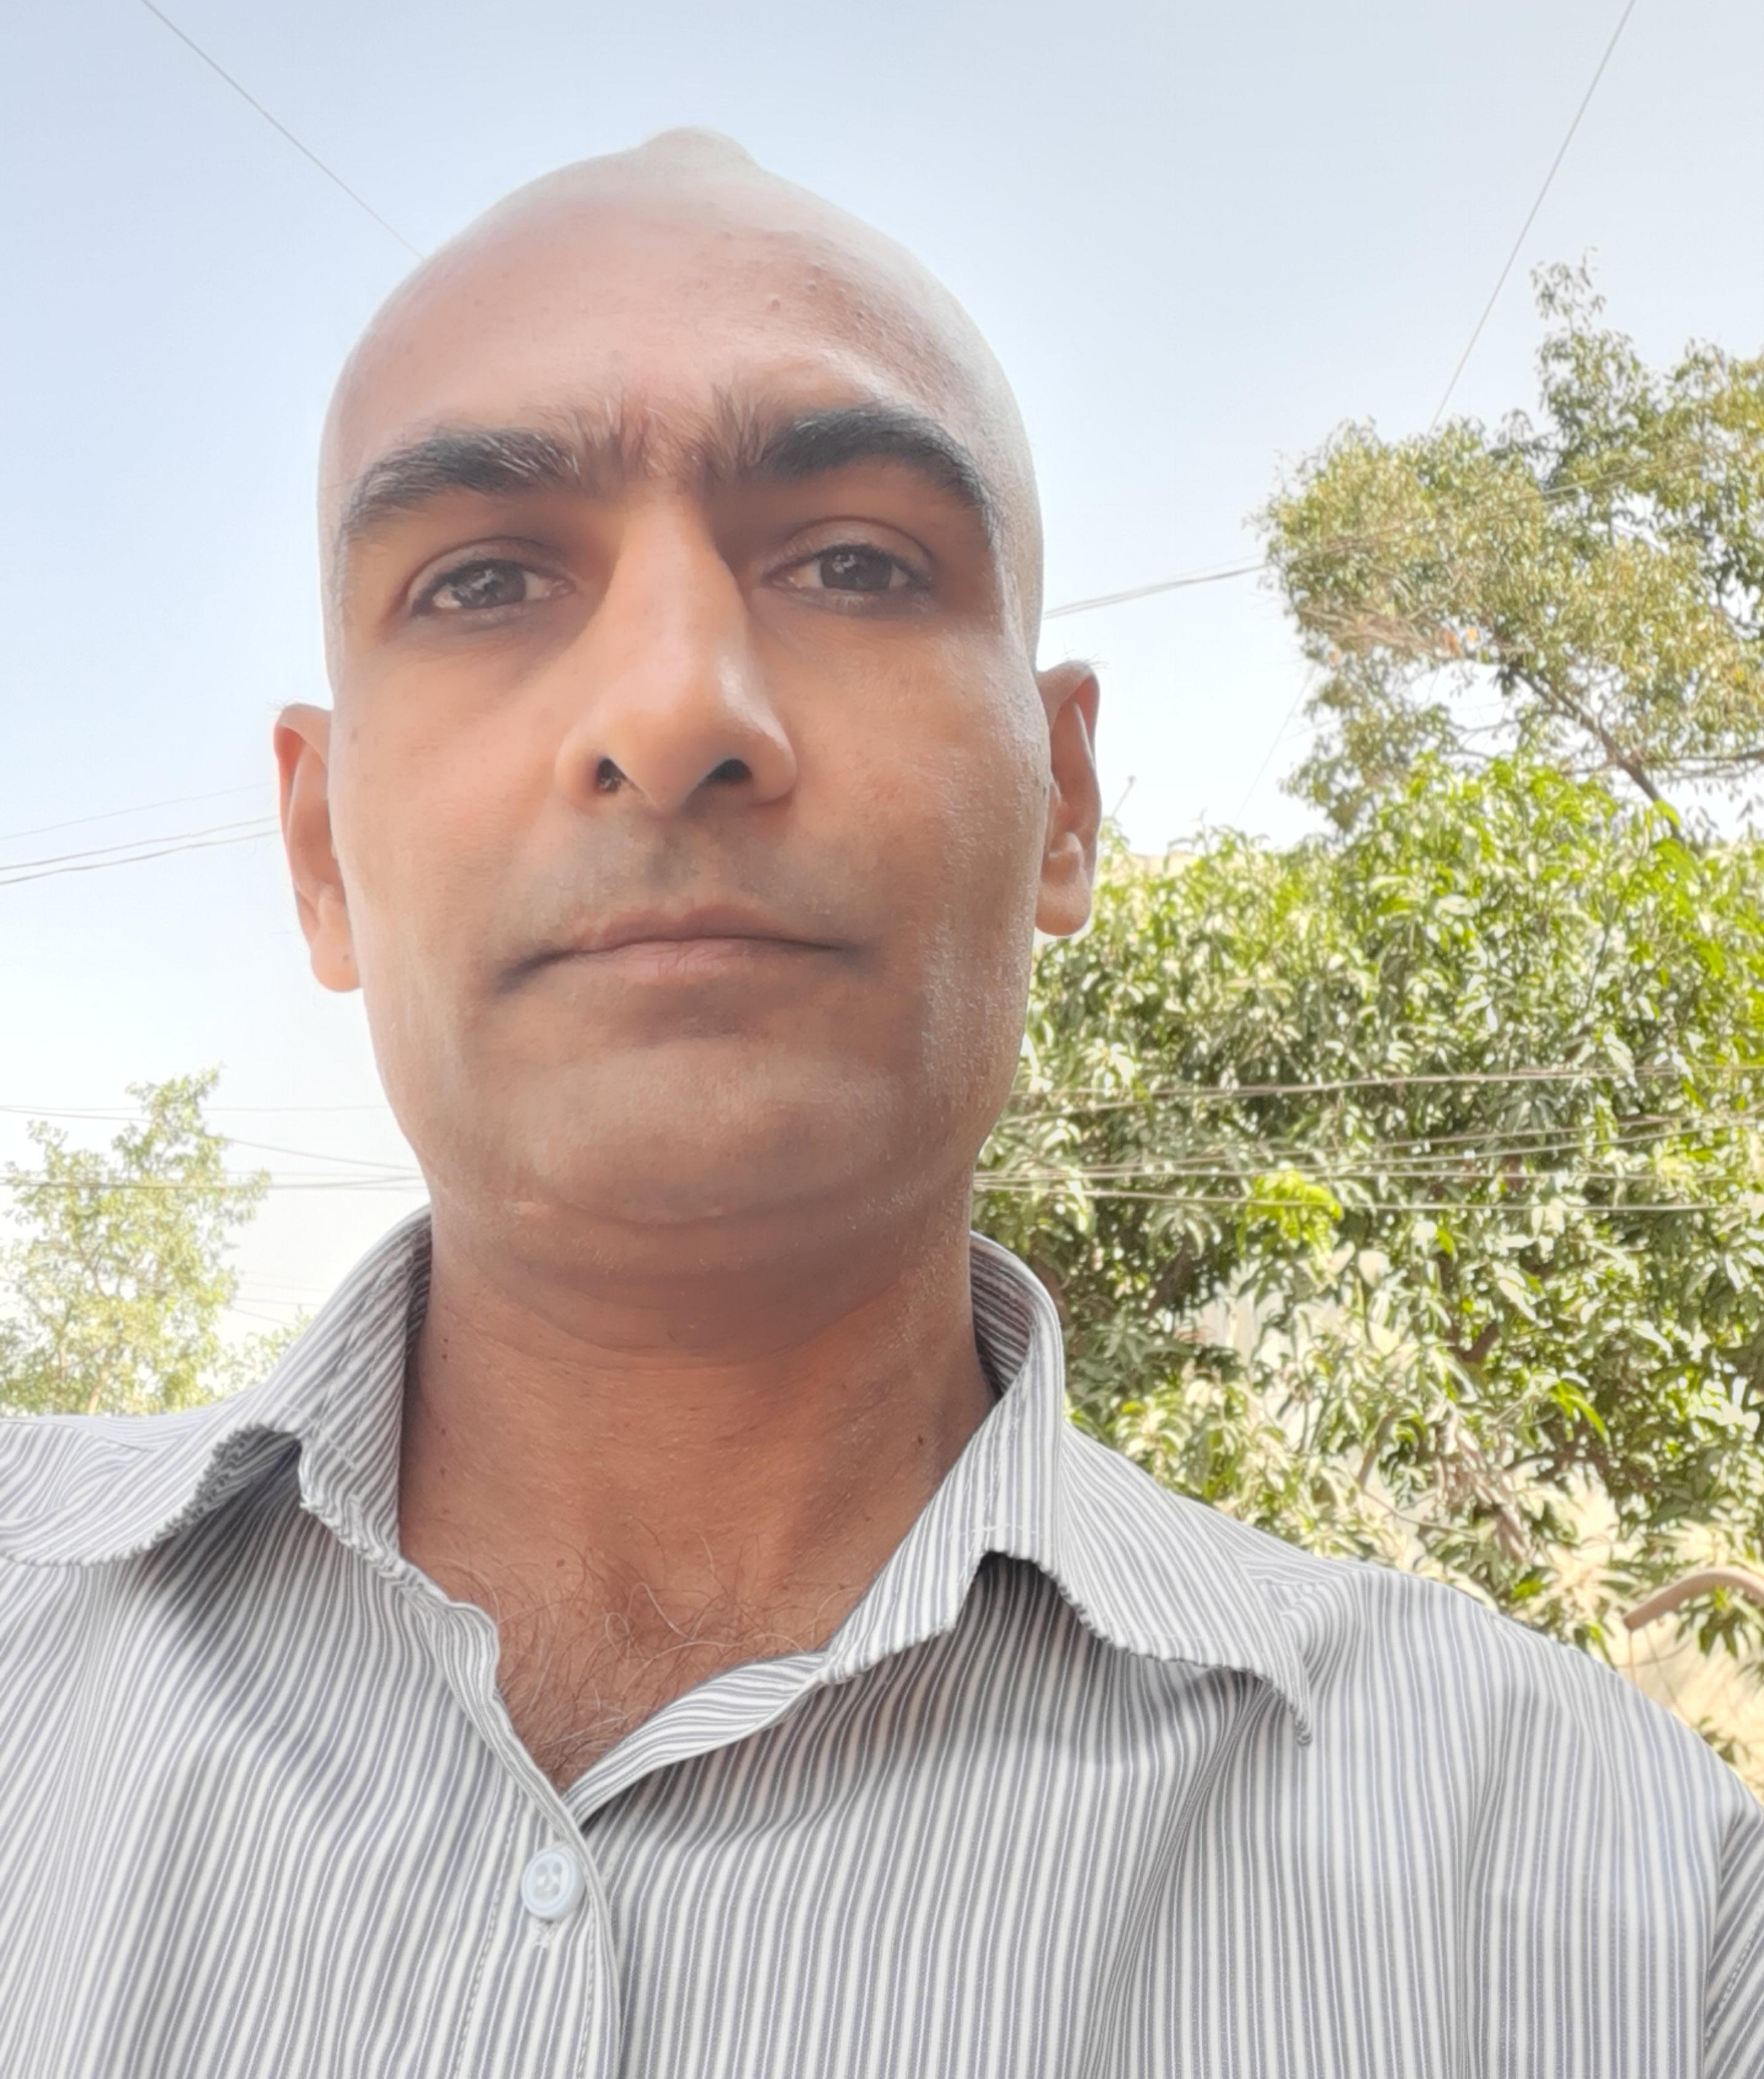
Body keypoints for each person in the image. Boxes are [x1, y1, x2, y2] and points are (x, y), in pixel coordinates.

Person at [1, 132, 1758, 2079]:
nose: (673, 711)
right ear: (320, 847)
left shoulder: (1630, 1917)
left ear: (1062, 803)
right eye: (485, 580)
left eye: (853, 563)